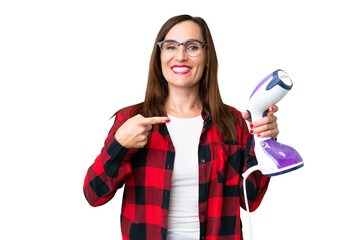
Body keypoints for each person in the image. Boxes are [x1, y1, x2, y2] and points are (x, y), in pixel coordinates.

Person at [83, 14, 279, 240]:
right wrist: (119, 146)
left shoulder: (232, 122)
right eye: (171, 47)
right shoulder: (132, 120)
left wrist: (265, 140)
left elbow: (251, 200)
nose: (181, 56)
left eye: (193, 47)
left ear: (207, 57)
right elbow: (94, 195)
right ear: (159, 56)